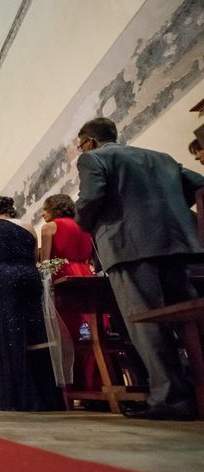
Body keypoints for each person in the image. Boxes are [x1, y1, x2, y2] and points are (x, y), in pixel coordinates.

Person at [75, 117, 204, 420]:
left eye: (80, 144)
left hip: (129, 247)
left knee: (145, 322)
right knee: (188, 320)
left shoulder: (93, 158)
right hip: (178, 245)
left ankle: (172, 398)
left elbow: (91, 199)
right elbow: (198, 183)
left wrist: (84, 220)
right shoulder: (161, 157)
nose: (81, 149)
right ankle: (197, 388)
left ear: (90, 141)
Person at [0, 196, 62, 411]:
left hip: (4, 277)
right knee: (35, 329)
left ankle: (18, 396)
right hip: (29, 275)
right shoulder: (29, 226)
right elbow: (35, 256)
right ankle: (45, 394)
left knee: (10, 332)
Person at [40, 193, 100, 391]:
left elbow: (46, 263)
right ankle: (98, 382)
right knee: (93, 329)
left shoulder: (49, 227)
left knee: (67, 333)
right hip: (85, 276)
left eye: (45, 209)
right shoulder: (85, 227)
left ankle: (75, 385)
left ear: (53, 210)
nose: (42, 214)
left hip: (64, 280)